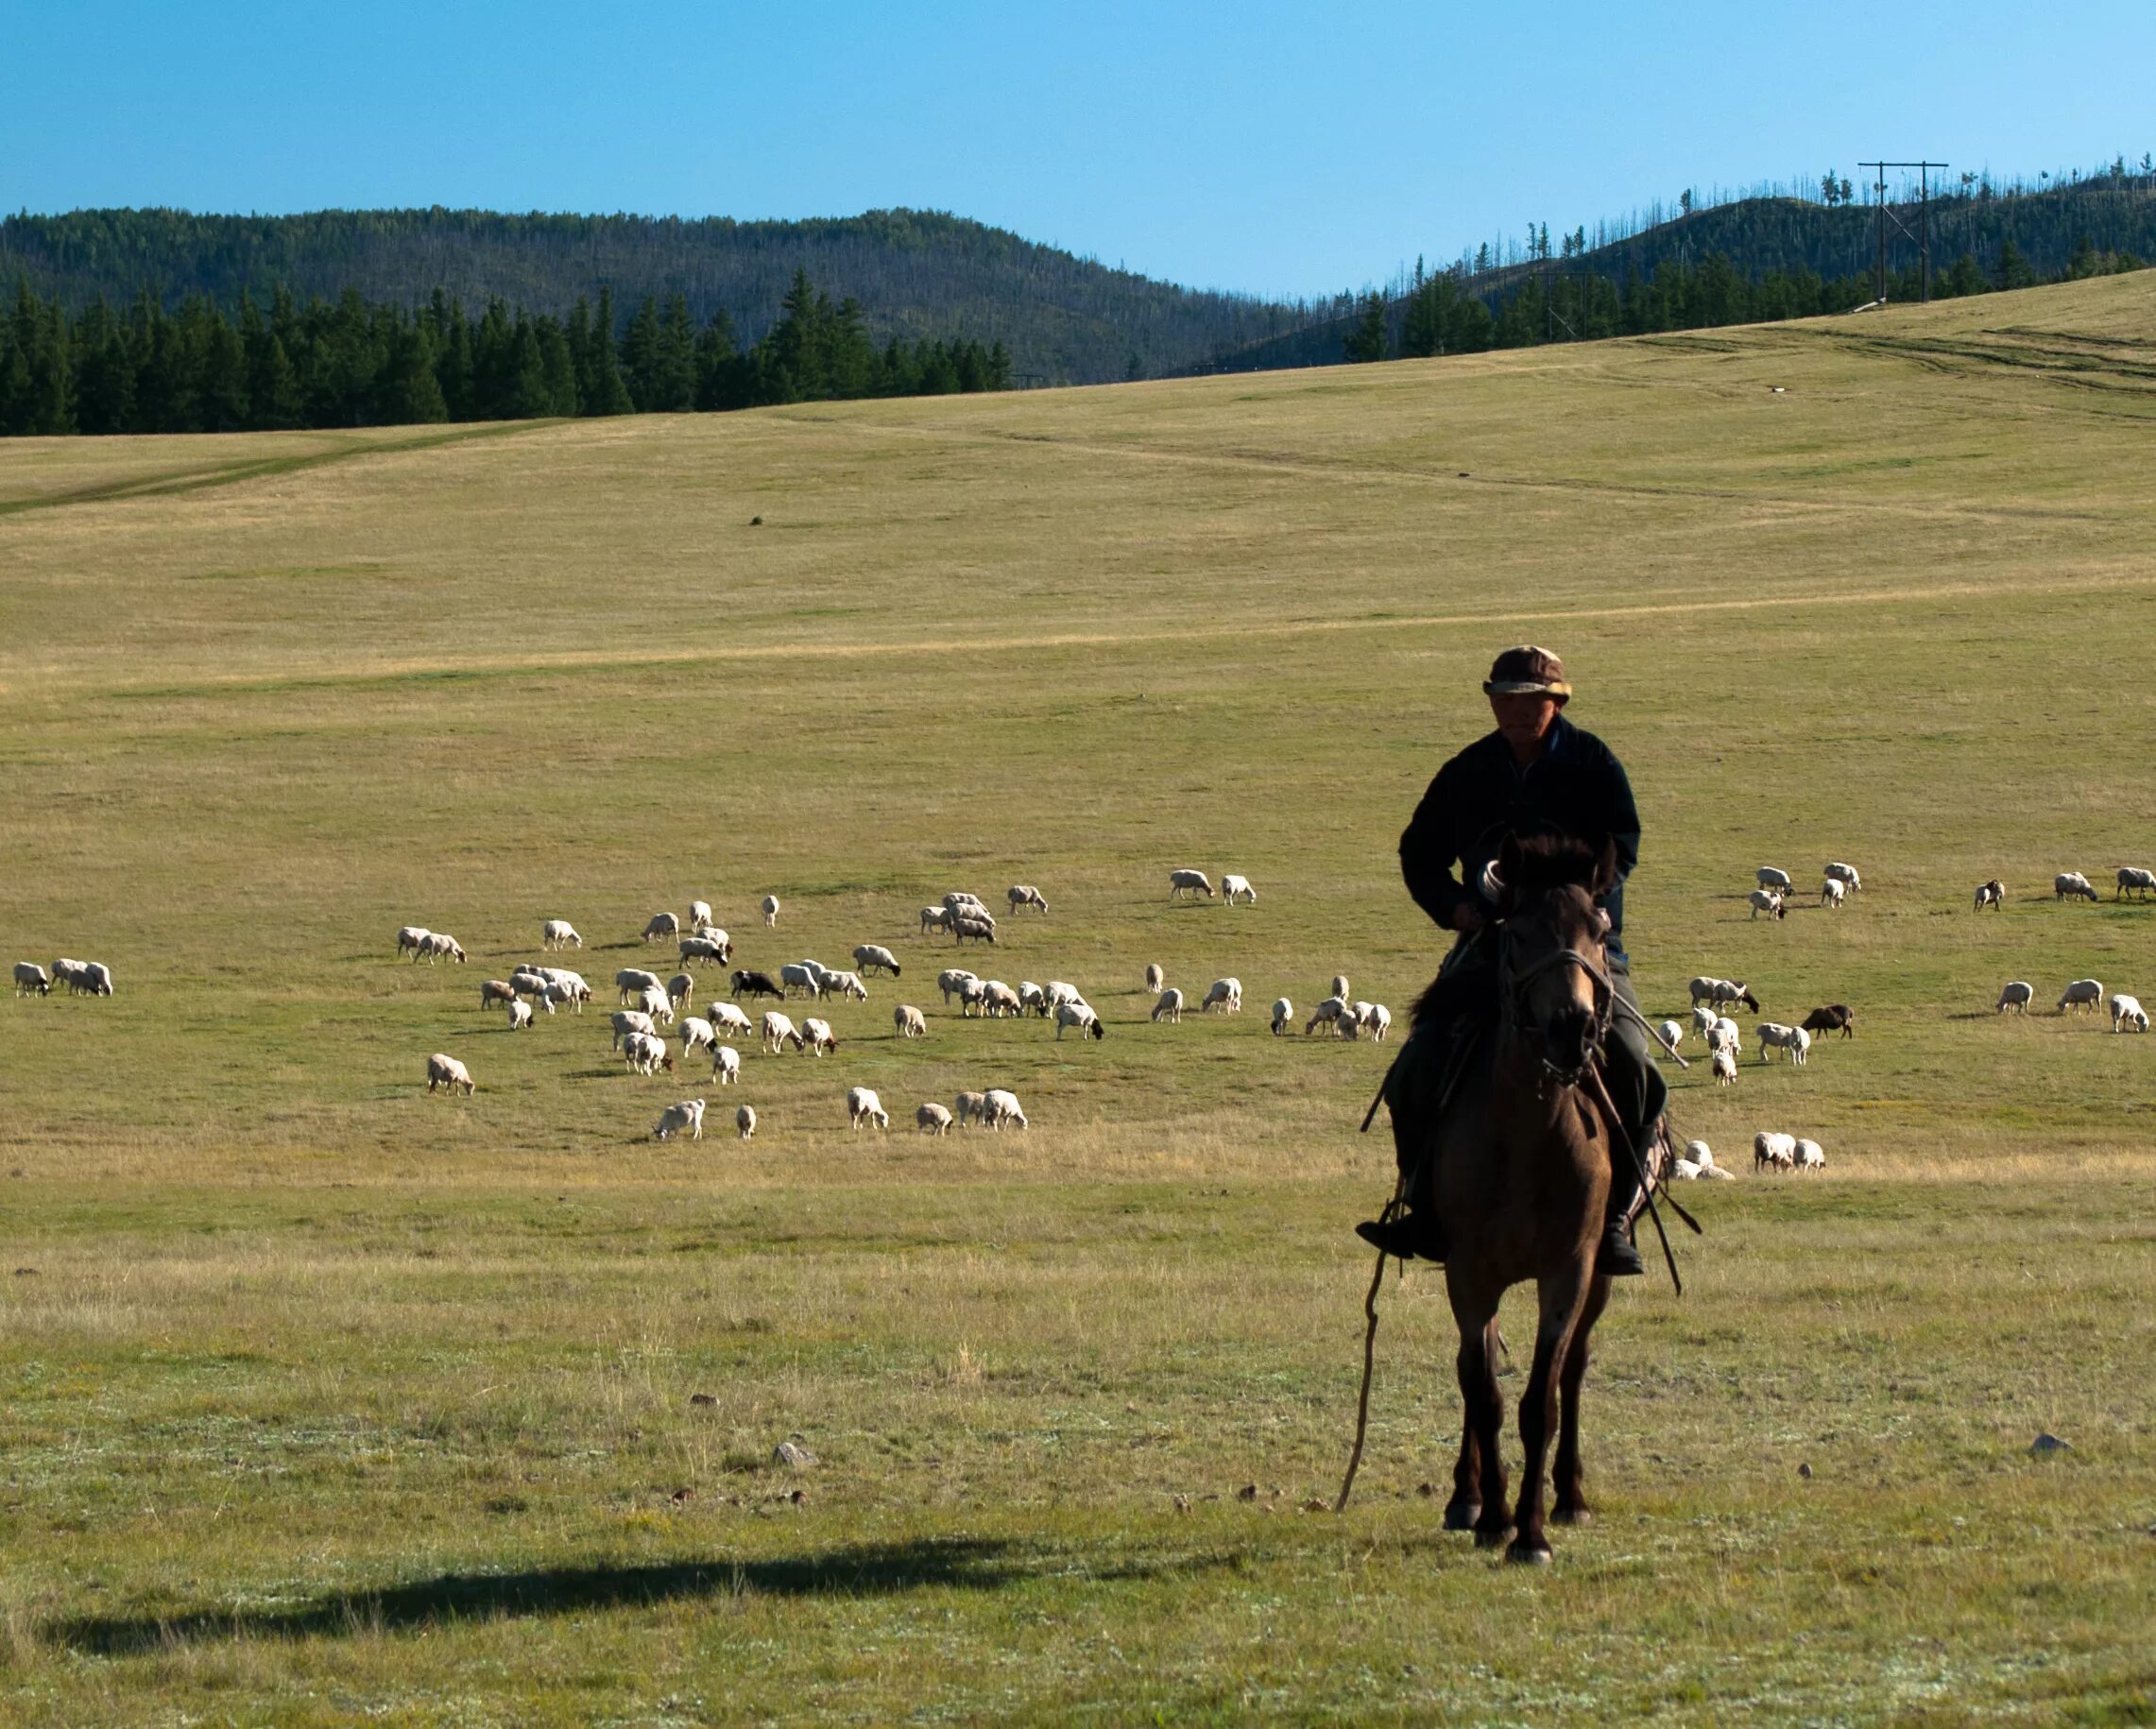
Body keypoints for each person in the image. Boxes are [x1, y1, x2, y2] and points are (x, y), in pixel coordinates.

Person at [1358, 645, 1664, 1276]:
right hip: (1491, 948)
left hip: (1580, 950)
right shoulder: (1468, 772)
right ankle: (1424, 1207)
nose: (1520, 711)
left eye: (1534, 700)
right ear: (1492, 701)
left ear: (1558, 703)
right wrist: (1456, 910)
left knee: (1634, 1061)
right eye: (1507, 699)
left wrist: (1583, 901)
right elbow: (1419, 852)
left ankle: (1613, 1218)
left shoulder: (1593, 765)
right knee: (1414, 1067)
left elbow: (1622, 846)